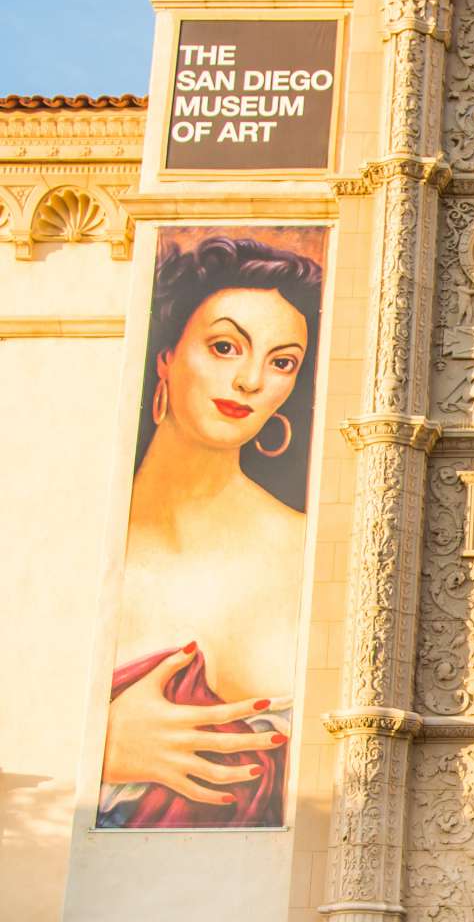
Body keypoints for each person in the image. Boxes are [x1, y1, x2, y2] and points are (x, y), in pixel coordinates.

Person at [98, 232, 324, 828]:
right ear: (166, 356)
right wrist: (101, 748)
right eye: (225, 346)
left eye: (282, 363)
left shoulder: (310, 550)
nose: (251, 380)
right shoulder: (69, 531)